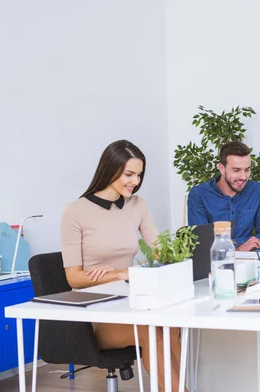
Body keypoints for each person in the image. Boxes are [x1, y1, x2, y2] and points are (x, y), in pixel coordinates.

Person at [60, 140, 184, 392]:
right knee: (154, 333)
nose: (135, 181)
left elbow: (160, 250)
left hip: (130, 302)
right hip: (94, 314)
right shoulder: (75, 211)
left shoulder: (137, 205)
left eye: (139, 175)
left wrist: (176, 258)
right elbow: (74, 278)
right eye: (129, 174)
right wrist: (120, 273)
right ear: (110, 169)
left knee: (172, 325)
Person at [187, 141, 260, 252]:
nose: (243, 177)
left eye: (247, 170)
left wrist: (232, 243)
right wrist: (239, 248)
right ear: (222, 168)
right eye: (236, 170)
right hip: (214, 264)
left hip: (249, 260)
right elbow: (200, 241)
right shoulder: (198, 195)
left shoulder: (258, 191)